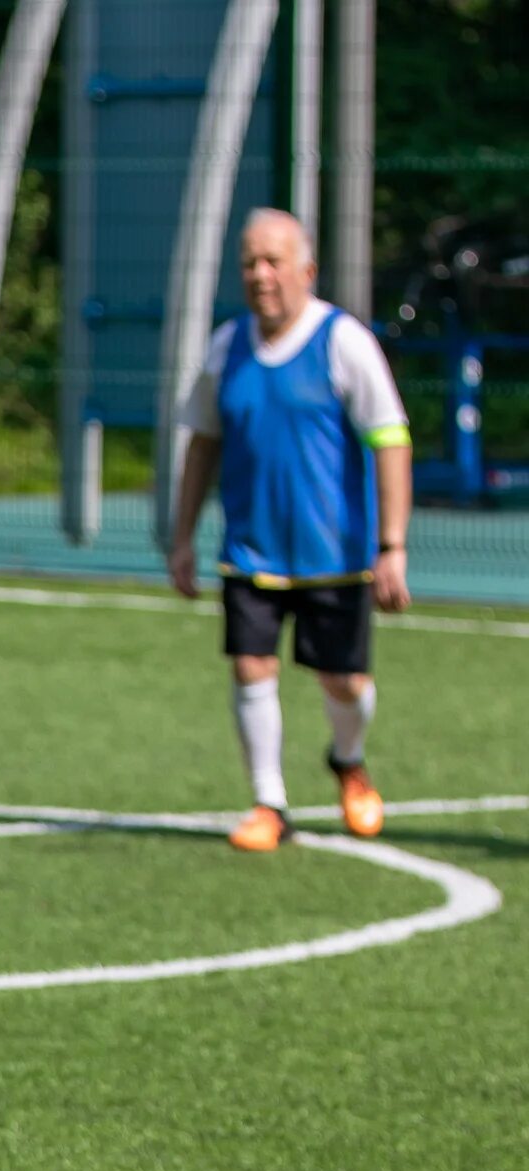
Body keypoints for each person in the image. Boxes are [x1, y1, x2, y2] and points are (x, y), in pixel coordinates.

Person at [168, 208, 413, 852]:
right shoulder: (226, 346)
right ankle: (268, 803)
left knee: (345, 685)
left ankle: (348, 761)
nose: (260, 274)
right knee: (251, 667)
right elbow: (203, 442)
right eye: (249, 262)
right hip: (251, 553)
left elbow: (390, 439)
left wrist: (392, 546)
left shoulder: (344, 341)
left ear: (307, 270)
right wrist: (183, 535)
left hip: (335, 557)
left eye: (273, 261)